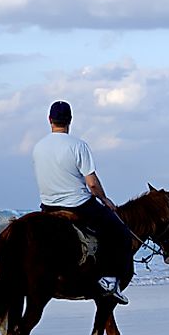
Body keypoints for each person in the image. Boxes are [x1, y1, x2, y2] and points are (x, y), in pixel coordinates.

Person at [31, 100, 134, 304]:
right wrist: (105, 200)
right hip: (77, 204)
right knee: (119, 232)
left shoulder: (38, 147)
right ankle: (110, 281)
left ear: (50, 120)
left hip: (48, 206)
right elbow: (92, 184)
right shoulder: (78, 146)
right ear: (69, 120)